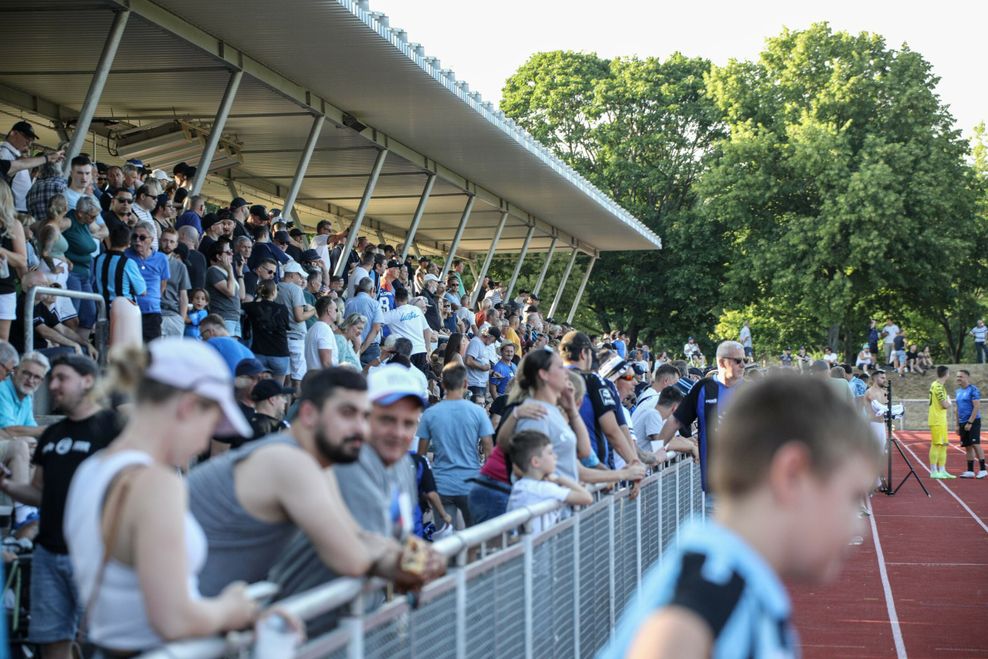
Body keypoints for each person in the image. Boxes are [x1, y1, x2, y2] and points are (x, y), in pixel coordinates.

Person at [601, 377, 882, 659]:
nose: (858, 525)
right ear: (792, 475)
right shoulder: (703, 608)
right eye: (850, 495)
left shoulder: (729, 588)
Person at [63, 339, 258, 655]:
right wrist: (232, 609)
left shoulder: (91, 469)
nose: (207, 442)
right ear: (189, 406)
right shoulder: (157, 483)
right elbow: (174, 620)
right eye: (212, 425)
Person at [188, 367, 443, 597]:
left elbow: (357, 536)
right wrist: (411, 562)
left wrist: (411, 558)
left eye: (364, 416)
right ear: (309, 414)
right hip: (171, 636)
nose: (359, 429)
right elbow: (351, 559)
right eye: (347, 414)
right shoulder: (291, 461)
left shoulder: (318, 464)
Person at [269, 365, 438, 630]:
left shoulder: (403, 465)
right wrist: (419, 561)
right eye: (387, 420)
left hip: (353, 621)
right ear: (365, 418)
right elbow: (369, 552)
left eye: (409, 423)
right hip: (311, 626)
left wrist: (418, 557)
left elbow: (400, 538)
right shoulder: (352, 461)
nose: (399, 432)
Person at [0, 354, 119, 659]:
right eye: (51, 379)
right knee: (52, 642)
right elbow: (40, 492)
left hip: (93, 554)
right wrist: (6, 486)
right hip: (48, 554)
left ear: (88, 381)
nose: (52, 386)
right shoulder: (53, 434)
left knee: (97, 645)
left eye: (61, 378)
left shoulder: (112, 428)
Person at [656, 341, 747, 508]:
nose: (743, 365)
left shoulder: (752, 391)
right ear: (721, 362)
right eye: (738, 360)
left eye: (745, 360)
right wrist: (656, 450)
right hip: (715, 488)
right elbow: (676, 420)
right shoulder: (704, 388)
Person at [416, 363, 494, 528]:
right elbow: (488, 447)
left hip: (441, 485)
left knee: (444, 538)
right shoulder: (478, 412)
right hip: (470, 484)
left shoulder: (430, 413)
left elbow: (420, 455)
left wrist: (424, 485)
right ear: (465, 383)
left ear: (443, 384)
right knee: (475, 535)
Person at [505, 430, 592, 533]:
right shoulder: (544, 489)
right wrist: (561, 479)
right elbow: (587, 497)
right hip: (537, 546)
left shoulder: (520, 486)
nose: (555, 456)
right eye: (550, 453)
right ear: (536, 462)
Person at [126, 222, 170, 342]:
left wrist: (153, 299)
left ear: (151, 239)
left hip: (152, 311)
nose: (137, 241)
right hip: (129, 309)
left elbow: (163, 285)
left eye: (142, 237)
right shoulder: (126, 255)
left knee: (152, 350)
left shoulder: (161, 259)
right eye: (134, 237)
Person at [242, 280, 291, 383]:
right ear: (274, 292)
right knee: (276, 390)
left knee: (257, 388)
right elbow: (287, 326)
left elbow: (242, 306)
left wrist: (259, 298)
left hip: (259, 353)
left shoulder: (252, 307)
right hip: (280, 353)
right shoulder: (282, 308)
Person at [205, 239, 244, 339]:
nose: (231, 254)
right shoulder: (213, 271)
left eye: (231, 251)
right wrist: (230, 270)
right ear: (218, 256)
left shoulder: (226, 272)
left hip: (235, 318)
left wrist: (239, 274)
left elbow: (241, 295)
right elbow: (230, 292)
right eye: (228, 252)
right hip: (224, 317)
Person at [159, 227, 191, 338]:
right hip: (155, 313)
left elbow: (183, 296)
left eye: (172, 241)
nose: (168, 244)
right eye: (165, 240)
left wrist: (181, 320)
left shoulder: (181, 266)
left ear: (176, 244)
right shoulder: (151, 261)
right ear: (160, 241)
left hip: (173, 314)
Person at [954, 369, 986, 478]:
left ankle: (983, 469)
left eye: (961, 376)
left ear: (967, 377)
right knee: (967, 446)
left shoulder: (973, 390)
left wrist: (970, 422)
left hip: (973, 421)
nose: (958, 378)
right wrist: (957, 424)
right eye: (958, 376)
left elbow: (976, 407)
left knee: (976, 444)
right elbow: (957, 408)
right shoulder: (957, 391)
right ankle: (970, 471)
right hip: (962, 422)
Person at [928, 365, 955, 479]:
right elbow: (945, 405)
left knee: (944, 445)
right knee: (936, 444)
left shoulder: (939, 386)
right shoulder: (938, 387)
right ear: (946, 374)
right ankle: (933, 471)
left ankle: (942, 470)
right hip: (937, 419)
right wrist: (949, 402)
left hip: (941, 420)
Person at [464, 326, 500, 404]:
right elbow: (468, 361)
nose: (493, 343)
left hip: (480, 385)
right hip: (474, 384)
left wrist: (492, 373)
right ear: (491, 337)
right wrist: (483, 367)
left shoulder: (483, 345)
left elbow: (482, 365)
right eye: (494, 341)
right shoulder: (476, 342)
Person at [305, 296, 338, 372]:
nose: (337, 312)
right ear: (329, 311)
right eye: (336, 309)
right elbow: (326, 363)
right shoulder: (324, 329)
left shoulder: (313, 328)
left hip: (312, 378)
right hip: (321, 380)